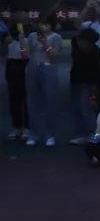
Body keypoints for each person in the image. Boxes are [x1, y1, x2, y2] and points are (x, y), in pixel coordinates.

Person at [24, 13, 63, 147]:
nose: (43, 26)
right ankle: (33, 134)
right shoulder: (32, 36)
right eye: (41, 23)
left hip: (49, 69)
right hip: (33, 68)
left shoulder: (56, 37)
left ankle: (49, 134)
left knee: (49, 102)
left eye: (46, 24)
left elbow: (55, 56)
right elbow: (25, 55)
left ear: (51, 25)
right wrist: (23, 44)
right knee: (33, 103)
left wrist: (45, 43)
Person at [69, 27, 100, 146]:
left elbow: (98, 71)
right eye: (82, 41)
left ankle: (92, 133)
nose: (82, 45)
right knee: (76, 107)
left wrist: (94, 90)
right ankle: (80, 134)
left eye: (86, 43)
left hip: (89, 83)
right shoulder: (75, 43)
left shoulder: (95, 51)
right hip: (75, 80)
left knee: (87, 108)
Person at [4, 17, 30, 139]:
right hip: (11, 67)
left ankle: (27, 127)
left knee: (24, 99)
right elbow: (4, 53)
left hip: (22, 66)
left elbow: (25, 55)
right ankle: (17, 127)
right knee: (13, 99)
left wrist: (21, 41)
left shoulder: (26, 40)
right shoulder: (8, 40)